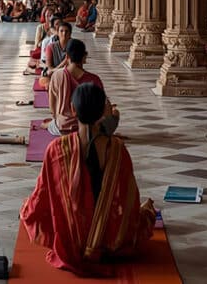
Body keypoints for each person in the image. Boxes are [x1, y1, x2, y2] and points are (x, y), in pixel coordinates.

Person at [21, 82, 156, 276]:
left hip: (71, 241)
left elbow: (43, 195)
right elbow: (128, 203)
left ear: (73, 109)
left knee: (31, 208)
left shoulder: (56, 149)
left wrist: (27, 209)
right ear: (103, 113)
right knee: (144, 213)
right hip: (111, 242)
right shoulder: (118, 150)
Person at [47, 40, 118, 136]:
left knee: (51, 124)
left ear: (67, 57)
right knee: (115, 113)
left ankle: (49, 125)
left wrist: (59, 118)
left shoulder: (56, 76)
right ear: (84, 57)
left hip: (62, 127)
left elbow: (52, 108)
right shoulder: (94, 79)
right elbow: (106, 110)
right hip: (90, 131)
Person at [39, 21, 73, 89]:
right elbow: (50, 68)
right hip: (54, 73)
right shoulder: (51, 47)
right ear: (57, 33)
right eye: (61, 31)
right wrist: (64, 63)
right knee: (45, 79)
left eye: (66, 31)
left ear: (70, 33)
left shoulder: (74, 46)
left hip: (69, 74)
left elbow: (75, 67)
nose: (64, 33)